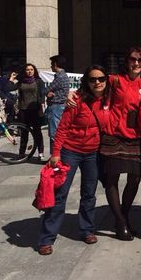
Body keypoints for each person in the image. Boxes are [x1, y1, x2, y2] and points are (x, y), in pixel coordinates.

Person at [37, 65, 111, 255]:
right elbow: (62, 128)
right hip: (71, 151)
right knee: (60, 193)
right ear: (87, 81)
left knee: (89, 193)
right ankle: (47, 238)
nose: (97, 82)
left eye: (101, 79)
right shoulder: (76, 100)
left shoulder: (109, 99)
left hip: (93, 153)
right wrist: (55, 153)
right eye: (93, 79)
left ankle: (87, 229)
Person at [100, 47, 141, 240]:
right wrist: (72, 96)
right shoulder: (114, 80)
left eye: (140, 60)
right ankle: (121, 222)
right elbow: (92, 90)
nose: (136, 63)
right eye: (133, 59)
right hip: (113, 134)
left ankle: (123, 215)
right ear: (127, 61)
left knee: (135, 179)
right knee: (112, 179)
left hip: (136, 136)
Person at [9, 63, 46, 161]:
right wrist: (11, 79)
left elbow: (42, 94)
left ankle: (41, 152)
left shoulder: (39, 81)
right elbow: (10, 88)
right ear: (25, 71)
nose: (29, 71)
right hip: (23, 109)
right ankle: (22, 153)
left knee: (37, 131)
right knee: (24, 131)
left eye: (31, 70)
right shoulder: (21, 82)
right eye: (27, 70)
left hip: (35, 110)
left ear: (34, 71)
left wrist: (42, 105)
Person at [46, 55, 70, 152]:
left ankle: (56, 155)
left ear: (55, 64)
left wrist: (48, 92)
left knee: (54, 133)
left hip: (56, 106)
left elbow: (47, 89)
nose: (51, 67)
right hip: (59, 106)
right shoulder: (63, 75)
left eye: (52, 64)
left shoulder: (60, 77)